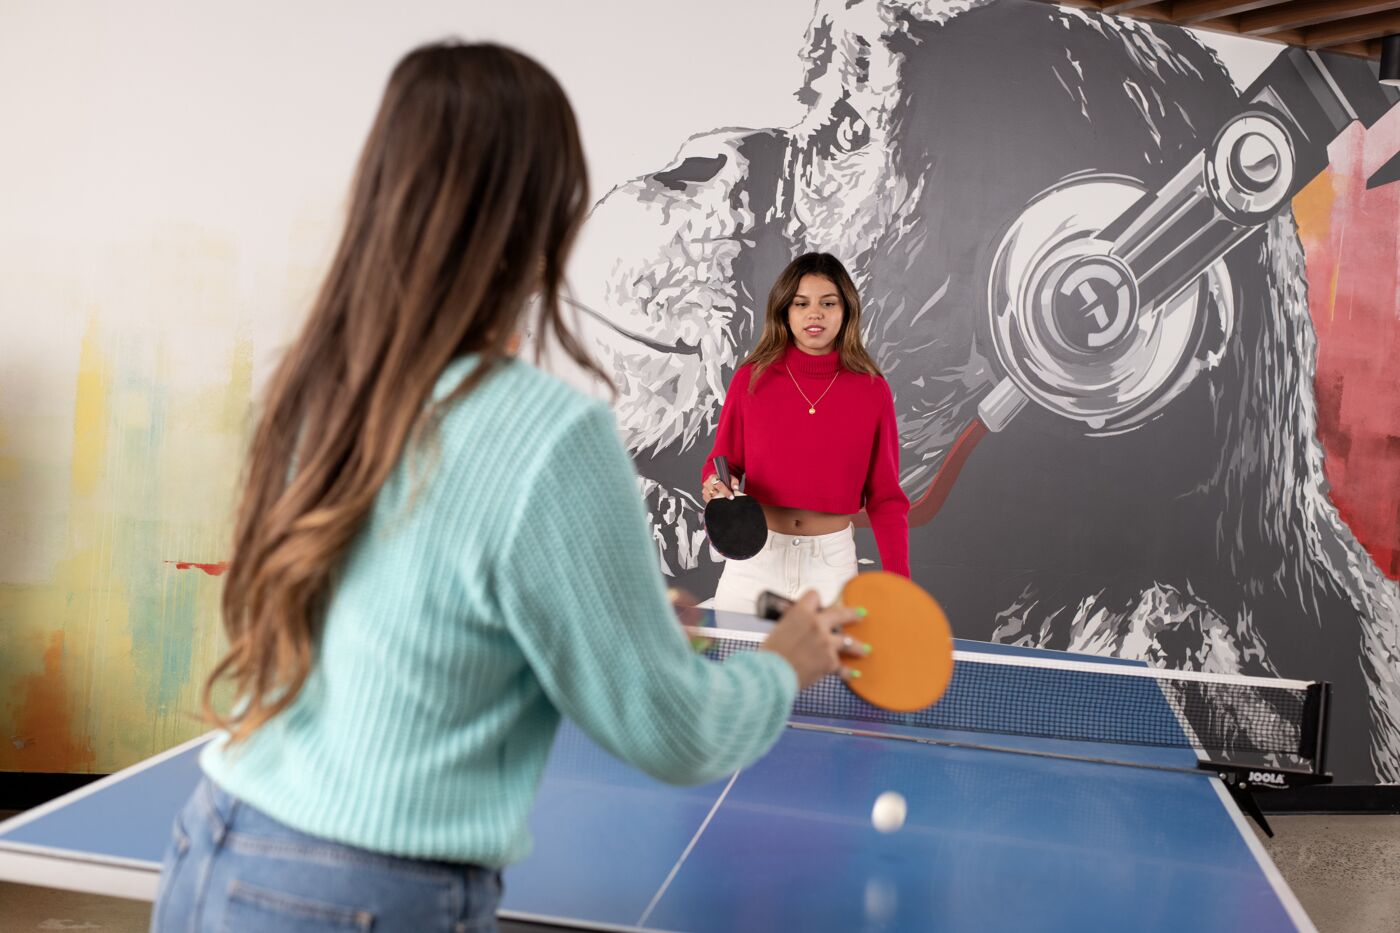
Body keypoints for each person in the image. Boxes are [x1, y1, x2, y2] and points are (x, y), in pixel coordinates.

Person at [150, 41, 858, 932]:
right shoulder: (549, 432)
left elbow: (399, 621)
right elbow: (677, 733)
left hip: (212, 842)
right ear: (545, 217)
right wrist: (783, 665)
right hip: (368, 896)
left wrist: (608, 620)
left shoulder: (315, 385)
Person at [702, 252, 910, 613]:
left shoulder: (872, 390)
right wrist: (715, 485)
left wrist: (899, 585)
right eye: (801, 304)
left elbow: (887, 500)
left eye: (828, 303)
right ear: (785, 311)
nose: (815, 314)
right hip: (755, 562)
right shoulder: (751, 379)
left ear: (846, 311)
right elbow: (722, 463)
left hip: (830, 568)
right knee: (732, 668)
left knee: (826, 672)